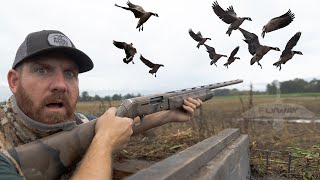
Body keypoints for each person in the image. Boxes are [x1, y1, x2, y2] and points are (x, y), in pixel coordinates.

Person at [0, 30, 203, 179]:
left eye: (70, 74)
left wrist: (168, 114)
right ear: (14, 82)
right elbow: (105, 133)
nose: (61, 85)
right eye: (42, 71)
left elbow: (119, 123)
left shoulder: (79, 122)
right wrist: (103, 144)